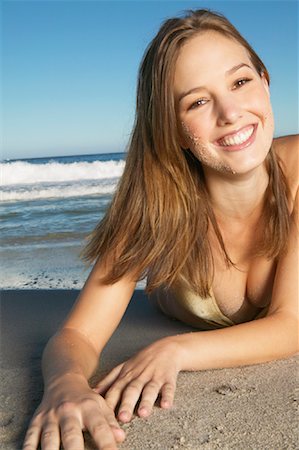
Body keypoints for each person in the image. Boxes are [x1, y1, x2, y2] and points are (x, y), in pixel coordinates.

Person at [23, 9, 298, 450]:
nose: (230, 112)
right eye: (198, 102)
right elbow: (77, 334)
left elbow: (291, 324)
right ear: (175, 129)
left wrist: (174, 350)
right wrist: (66, 386)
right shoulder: (156, 206)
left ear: (265, 80)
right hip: (173, 290)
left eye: (240, 82)